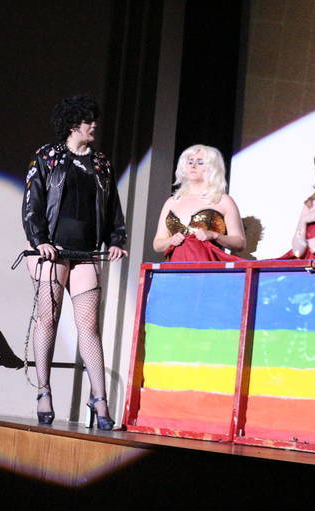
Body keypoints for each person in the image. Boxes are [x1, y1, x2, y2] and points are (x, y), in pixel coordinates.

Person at [21, 95, 127, 430]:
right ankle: (44, 391)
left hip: (86, 253)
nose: (94, 125)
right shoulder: (47, 156)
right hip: (52, 252)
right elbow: (32, 202)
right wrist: (39, 240)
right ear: (72, 124)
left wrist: (116, 241)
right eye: (87, 120)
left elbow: (112, 208)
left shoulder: (101, 163)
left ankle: (99, 398)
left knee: (89, 327)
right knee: (48, 319)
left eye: (94, 119)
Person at [153, 144, 245, 261]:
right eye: (190, 162)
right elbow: (157, 244)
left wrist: (214, 235)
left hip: (208, 267)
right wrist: (171, 240)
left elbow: (240, 242)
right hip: (174, 268)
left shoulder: (223, 200)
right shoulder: (172, 202)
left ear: (212, 168)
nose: (193, 165)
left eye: (200, 162)